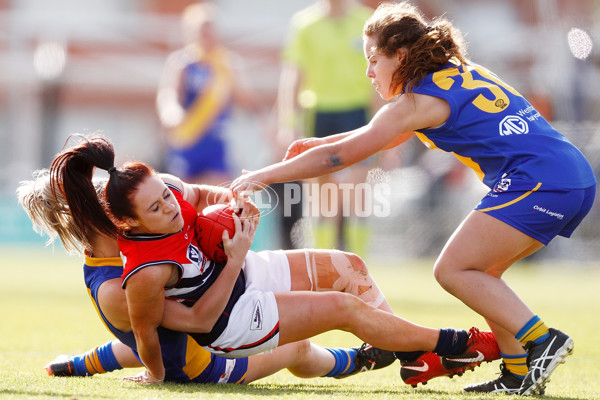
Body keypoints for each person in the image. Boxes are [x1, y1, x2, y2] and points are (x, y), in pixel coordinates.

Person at [230, 2, 597, 396]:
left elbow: (342, 157)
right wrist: (324, 140)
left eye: (373, 59)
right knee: (482, 273)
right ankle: (518, 372)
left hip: (540, 180)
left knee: (453, 270)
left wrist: (262, 176)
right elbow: (375, 135)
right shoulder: (454, 74)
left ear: (401, 56)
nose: (368, 72)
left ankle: (542, 340)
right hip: (567, 175)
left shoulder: (416, 102)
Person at [49, 133, 498, 385]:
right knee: (319, 330)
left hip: (236, 276)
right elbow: (181, 329)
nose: (169, 205)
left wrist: (233, 204)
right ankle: (451, 342)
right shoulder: (139, 274)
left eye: (166, 195)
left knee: (349, 267)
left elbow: (200, 194)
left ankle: (408, 355)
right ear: (128, 225)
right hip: (229, 322)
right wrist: (235, 255)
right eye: (156, 208)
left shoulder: (160, 190)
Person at [17, 168, 395, 384]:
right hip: (210, 362)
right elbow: (194, 324)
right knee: (296, 347)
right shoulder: (120, 285)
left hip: (205, 326)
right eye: (109, 209)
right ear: (96, 221)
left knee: (336, 272)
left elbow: (150, 333)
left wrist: (231, 207)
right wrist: (232, 262)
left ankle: (82, 363)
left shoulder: (138, 235)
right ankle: (359, 360)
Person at [276, 0, 381, 252]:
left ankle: (360, 269)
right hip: (319, 114)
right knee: (324, 200)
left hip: (357, 114)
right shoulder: (305, 24)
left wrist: (384, 123)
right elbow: (292, 76)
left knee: (356, 196)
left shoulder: (367, 22)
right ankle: (325, 267)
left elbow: (380, 73)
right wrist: (287, 123)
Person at [156, 2, 260, 186]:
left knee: (218, 191)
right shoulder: (183, 62)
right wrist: (171, 112)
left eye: (210, 28)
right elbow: (169, 94)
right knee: (185, 191)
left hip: (216, 140)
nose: (206, 34)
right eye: (201, 29)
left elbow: (245, 98)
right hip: (188, 139)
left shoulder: (228, 63)